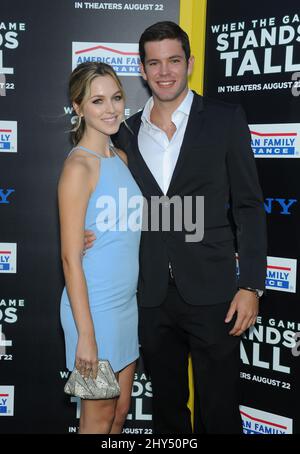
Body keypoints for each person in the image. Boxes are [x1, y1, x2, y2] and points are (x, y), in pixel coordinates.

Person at [85, 21, 267, 434]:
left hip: (215, 293)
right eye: (155, 62)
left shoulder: (224, 119)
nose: (165, 72)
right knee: (167, 410)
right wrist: (83, 234)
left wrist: (251, 284)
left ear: (189, 63)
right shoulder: (123, 132)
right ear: (142, 69)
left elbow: (250, 206)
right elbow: (107, 198)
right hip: (148, 295)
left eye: (174, 60)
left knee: (218, 410)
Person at [59, 62, 142, 434]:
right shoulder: (80, 167)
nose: (110, 109)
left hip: (126, 306)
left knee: (120, 411)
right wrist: (86, 335)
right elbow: (69, 257)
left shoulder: (121, 159)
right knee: (97, 418)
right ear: (78, 108)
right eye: (97, 100)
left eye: (116, 97)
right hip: (94, 311)